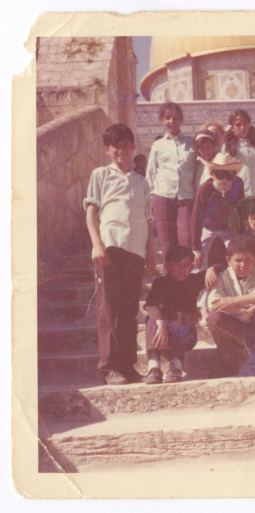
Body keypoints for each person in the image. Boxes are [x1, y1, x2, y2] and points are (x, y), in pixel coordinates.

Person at [84, 123, 156, 385]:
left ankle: (127, 365)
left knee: (128, 311)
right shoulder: (101, 175)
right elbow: (91, 212)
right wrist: (97, 244)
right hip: (109, 248)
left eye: (126, 144)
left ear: (133, 146)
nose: (121, 150)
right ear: (108, 149)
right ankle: (109, 366)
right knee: (108, 308)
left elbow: (148, 219)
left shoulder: (141, 182)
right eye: (116, 146)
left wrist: (151, 252)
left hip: (135, 250)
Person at [143, 245, 223, 384]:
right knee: (152, 319)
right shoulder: (160, 282)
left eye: (186, 265)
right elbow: (150, 304)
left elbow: (225, 265)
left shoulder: (194, 280)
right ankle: (154, 367)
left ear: (192, 267)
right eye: (178, 265)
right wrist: (161, 323)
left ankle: (176, 366)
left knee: (181, 314)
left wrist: (212, 268)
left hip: (186, 337)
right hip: (163, 338)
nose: (182, 270)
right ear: (167, 266)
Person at [206, 236, 255, 377]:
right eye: (238, 260)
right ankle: (228, 363)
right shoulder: (222, 275)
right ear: (228, 260)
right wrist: (246, 309)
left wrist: (233, 300)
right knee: (213, 318)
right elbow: (212, 302)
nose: (243, 265)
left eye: (248, 260)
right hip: (236, 331)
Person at [146, 101, 199, 254]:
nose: (172, 121)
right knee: (167, 246)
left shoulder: (191, 143)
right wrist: (151, 199)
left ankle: (187, 278)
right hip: (163, 198)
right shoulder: (158, 145)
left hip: (186, 198)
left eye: (176, 117)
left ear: (181, 119)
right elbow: (150, 174)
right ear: (162, 120)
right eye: (167, 118)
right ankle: (168, 278)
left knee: (186, 241)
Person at [190, 153, 245, 272]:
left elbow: (239, 212)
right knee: (198, 259)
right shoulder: (205, 188)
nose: (224, 180)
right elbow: (196, 217)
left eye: (229, 176)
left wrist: (238, 237)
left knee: (238, 255)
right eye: (220, 175)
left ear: (235, 176)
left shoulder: (238, 184)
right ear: (212, 174)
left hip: (229, 228)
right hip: (209, 227)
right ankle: (199, 283)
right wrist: (196, 248)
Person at [225, 109, 255, 206]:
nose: (242, 127)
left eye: (245, 123)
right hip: (236, 198)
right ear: (232, 127)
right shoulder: (227, 149)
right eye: (238, 124)